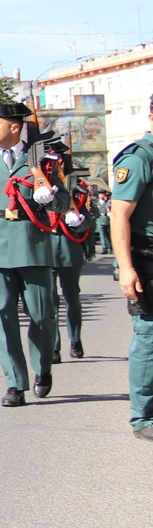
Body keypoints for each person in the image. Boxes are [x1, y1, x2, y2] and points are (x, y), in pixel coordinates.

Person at [0, 103, 66, 407]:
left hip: (32, 245)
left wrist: (51, 197)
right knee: (2, 317)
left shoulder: (41, 159)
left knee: (43, 315)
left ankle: (42, 367)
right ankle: (15, 383)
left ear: (14, 127)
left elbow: (63, 202)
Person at [109, 96, 153, 441]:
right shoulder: (139, 158)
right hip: (146, 260)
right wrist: (126, 267)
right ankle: (143, 417)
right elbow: (119, 215)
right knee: (149, 336)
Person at [48, 143, 93, 362]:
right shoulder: (38, 184)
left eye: (57, 160)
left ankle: (75, 339)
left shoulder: (76, 187)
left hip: (68, 247)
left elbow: (88, 220)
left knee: (72, 298)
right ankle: (54, 345)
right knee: (49, 301)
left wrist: (79, 221)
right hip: (44, 248)